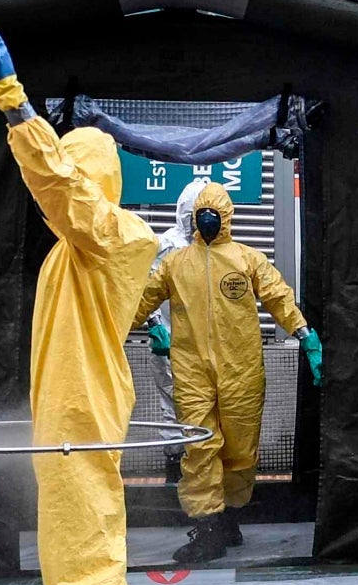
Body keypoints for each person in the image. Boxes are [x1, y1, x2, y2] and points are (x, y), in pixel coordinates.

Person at [0, 19, 160, 585]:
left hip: (81, 416)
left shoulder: (115, 233)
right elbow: (62, 194)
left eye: (74, 172)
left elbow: (59, 188)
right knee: (68, 551)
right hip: (65, 413)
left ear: (90, 179)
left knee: (85, 555)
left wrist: (15, 103)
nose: (64, 186)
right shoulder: (74, 247)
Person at [129, 178, 317, 565]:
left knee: (239, 451)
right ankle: (208, 527)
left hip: (242, 371)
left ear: (227, 216)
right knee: (199, 447)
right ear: (194, 218)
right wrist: (146, 328)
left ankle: (229, 518)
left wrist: (304, 333)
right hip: (192, 371)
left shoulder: (248, 260)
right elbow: (142, 299)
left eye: (215, 212)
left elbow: (278, 295)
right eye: (203, 213)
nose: (209, 219)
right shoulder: (175, 263)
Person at [136, 179, 205, 497]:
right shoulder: (165, 245)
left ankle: (199, 470)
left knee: (202, 408)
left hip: (202, 345)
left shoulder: (214, 249)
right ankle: (173, 470)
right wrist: (154, 325)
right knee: (170, 405)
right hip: (168, 341)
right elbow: (144, 286)